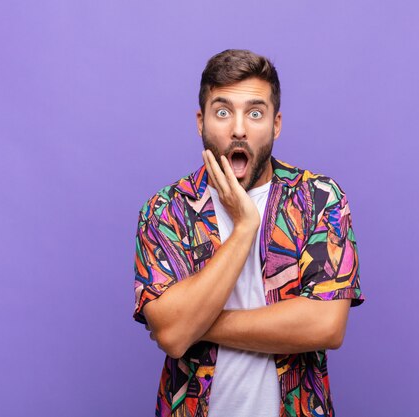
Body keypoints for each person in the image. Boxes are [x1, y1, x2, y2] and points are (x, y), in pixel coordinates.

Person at [133, 49, 365, 417]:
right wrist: (245, 228)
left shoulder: (319, 199)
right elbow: (172, 337)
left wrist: (197, 324)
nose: (238, 128)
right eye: (222, 112)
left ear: (276, 124)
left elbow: (326, 325)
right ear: (200, 122)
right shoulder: (166, 210)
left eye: (255, 113)